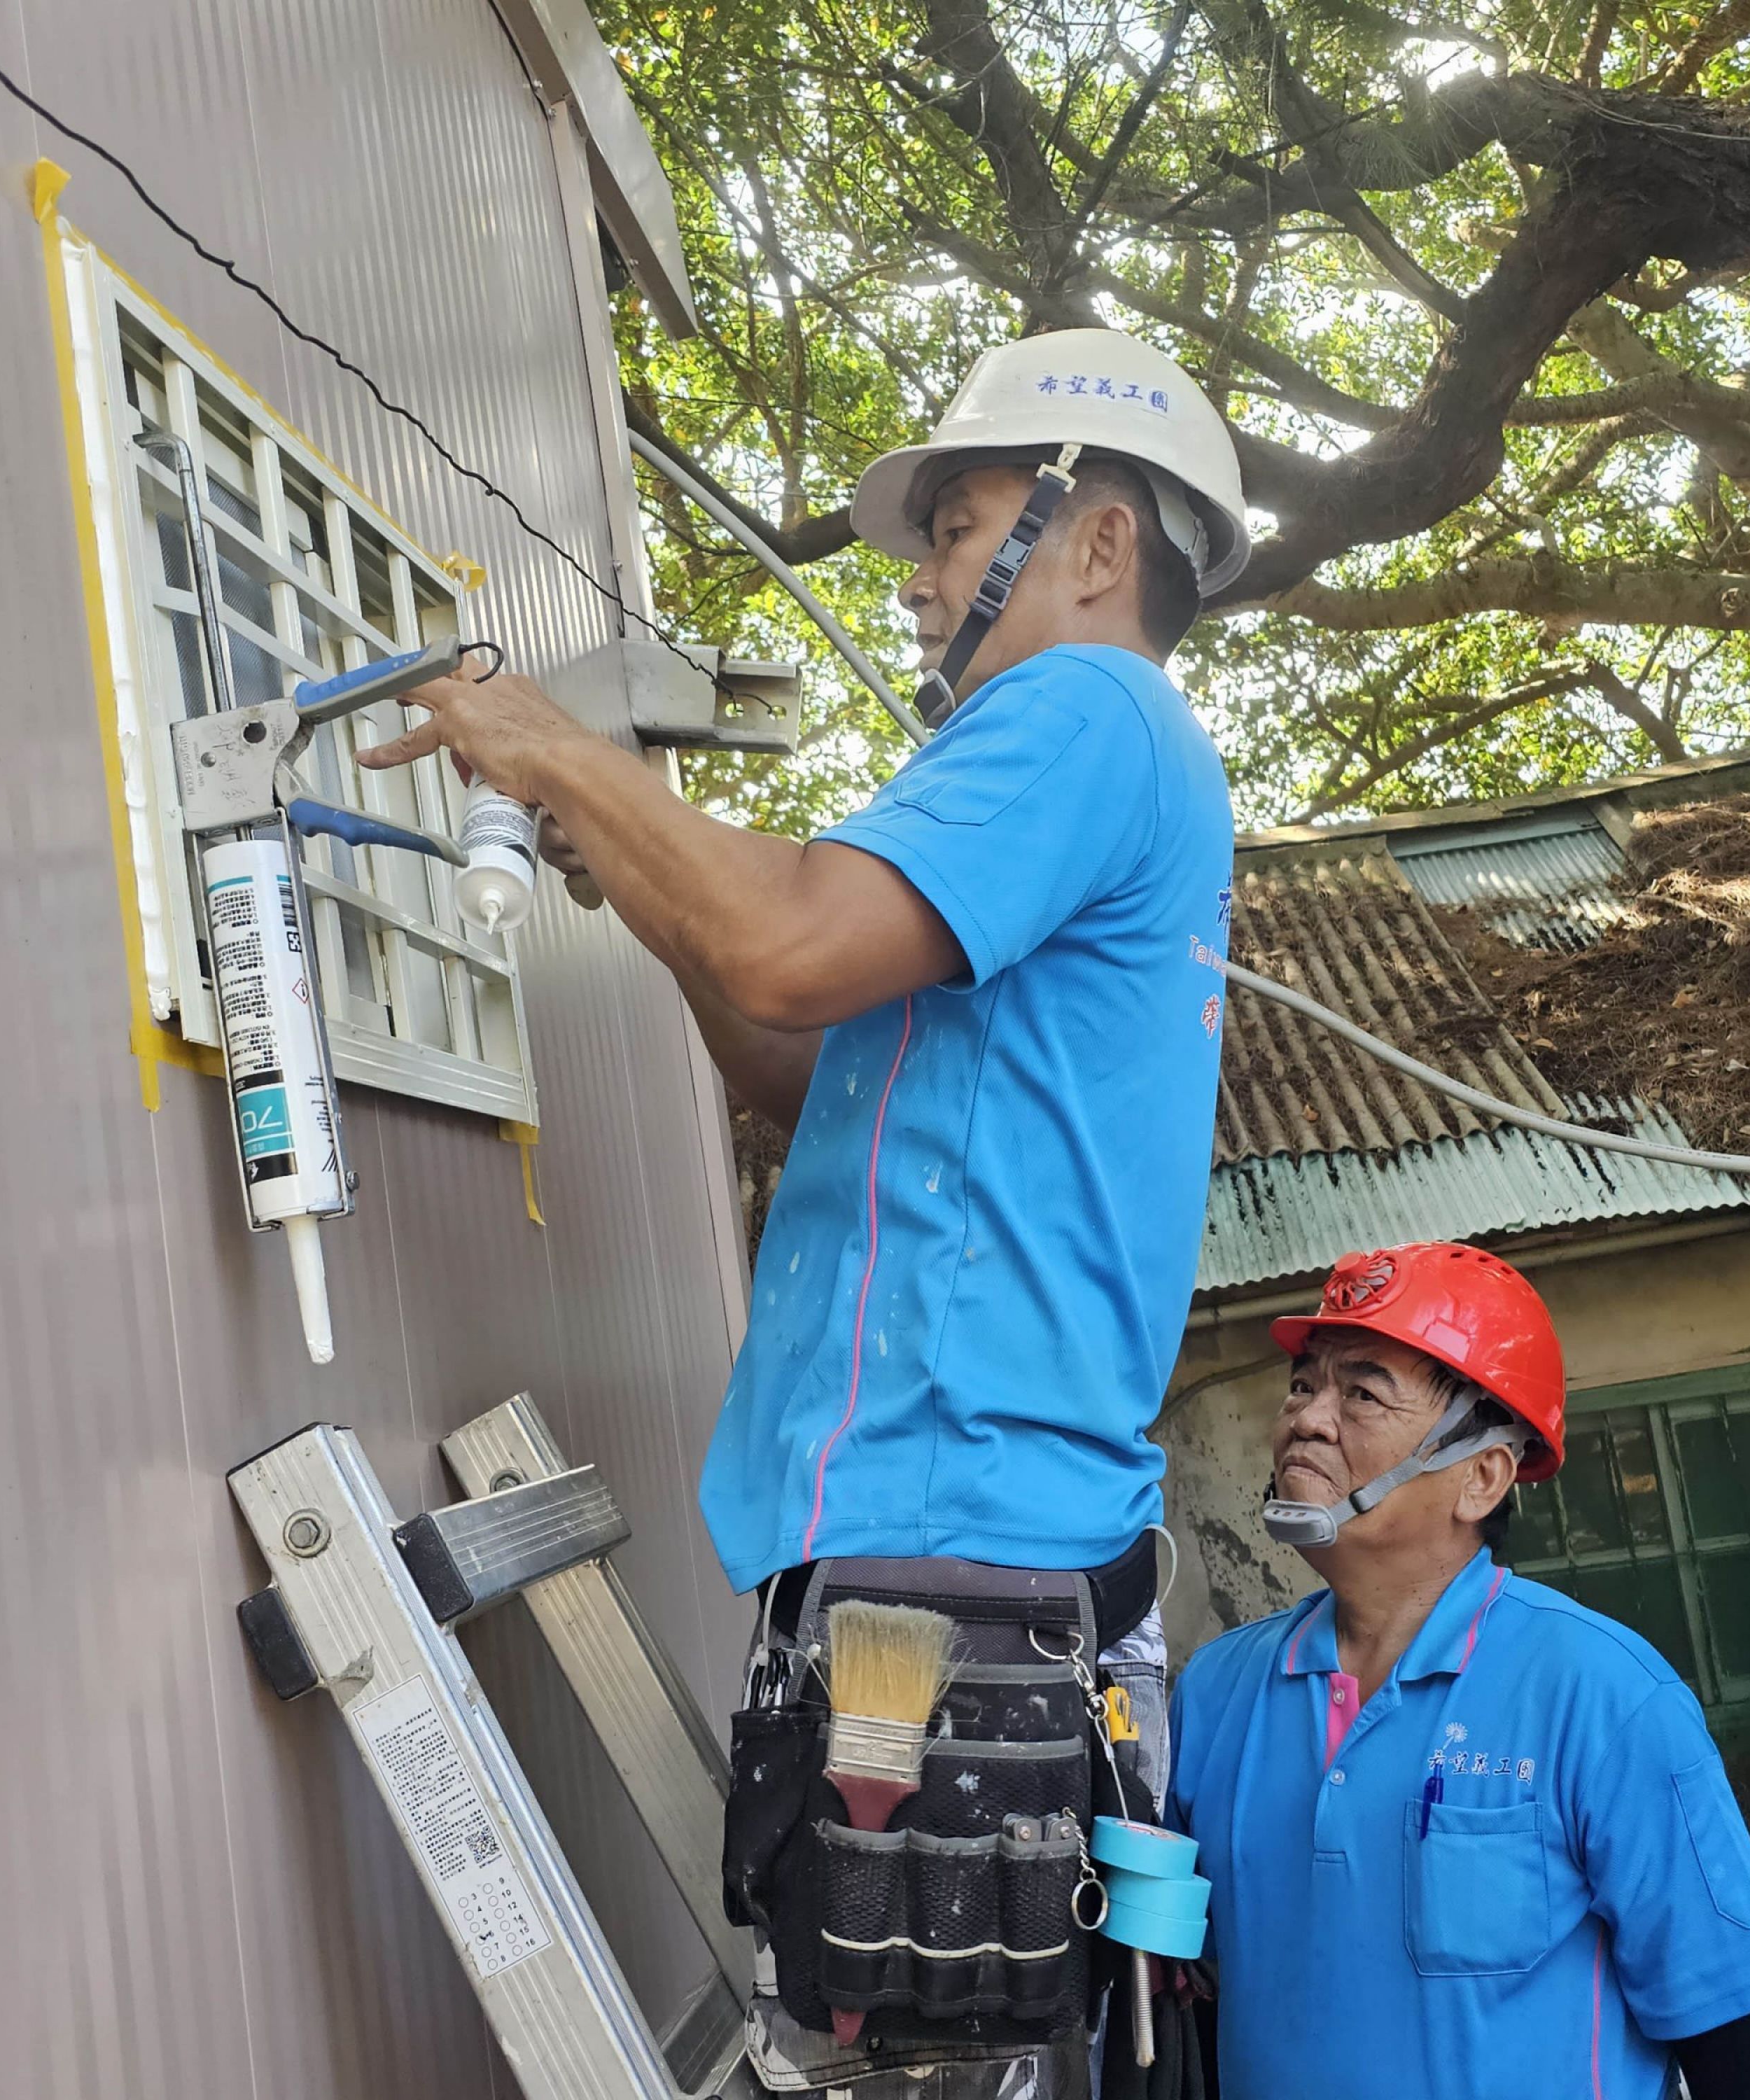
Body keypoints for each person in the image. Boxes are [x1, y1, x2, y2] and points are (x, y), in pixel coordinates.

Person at [360, 322, 1238, 1791]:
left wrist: (553, 750)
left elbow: (786, 946)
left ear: (1097, 543)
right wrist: (641, 869)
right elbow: (798, 1065)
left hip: (949, 1530)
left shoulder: (1082, 706)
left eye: (955, 530)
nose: (916, 581)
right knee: (892, 1938)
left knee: (895, 1944)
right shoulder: (1102, 758)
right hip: (957, 1532)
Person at [1168, 1242, 1750, 2099]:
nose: (1308, 1420)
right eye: (1302, 1384)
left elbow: (1736, 2045)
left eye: (1362, 1393)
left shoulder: (1603, 1694)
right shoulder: (1213, 1696)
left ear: (1481, 1477)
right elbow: (1196, 1999)